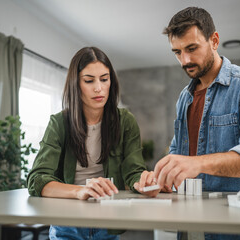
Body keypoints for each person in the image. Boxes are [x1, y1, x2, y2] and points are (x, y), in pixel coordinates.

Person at [140, 6, 240, 240]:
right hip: (193, 226)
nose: (185, 60)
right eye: (177, 52)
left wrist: (197, 164)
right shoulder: (184, 98)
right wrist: (162, 176)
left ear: (214, 40)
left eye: (192, 48)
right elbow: (179, 153)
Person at [27, 46, 156, 240]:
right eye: (89, 81)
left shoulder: (125, 121)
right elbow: (37, 180)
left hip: (108, 221)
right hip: (67, 223)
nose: (99, 88)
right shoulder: (59, 123)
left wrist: (144, 182)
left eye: (104, 79)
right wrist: (81, 191)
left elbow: (133, 171)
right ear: (75, 84)